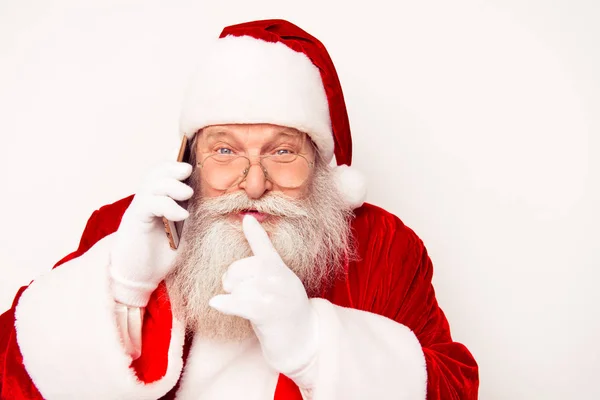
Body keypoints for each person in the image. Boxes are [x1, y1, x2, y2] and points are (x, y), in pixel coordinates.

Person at [0, 19, 478, 399]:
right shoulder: (127, 226)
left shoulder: (382, 244)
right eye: (225, 151)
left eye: (282, 152)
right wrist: (121, 289)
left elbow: (455, 387)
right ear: (190, 158)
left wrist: (316, 346)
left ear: (320, 164)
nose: (253, 184)